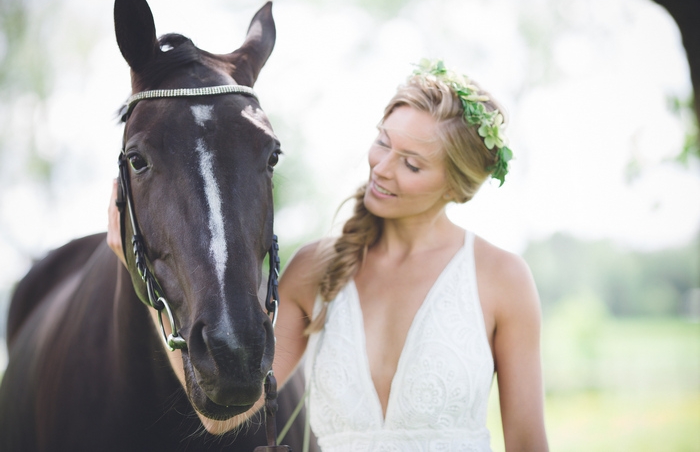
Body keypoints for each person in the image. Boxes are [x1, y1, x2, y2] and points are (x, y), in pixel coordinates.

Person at [107, 59, 549, 451]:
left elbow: (528, 445)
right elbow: (219, 415)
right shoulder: (314, 271)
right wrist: (139, 272)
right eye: (383, 142)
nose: (382, 166)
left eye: (411, 164)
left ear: (456, 187)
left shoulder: (501, 278)